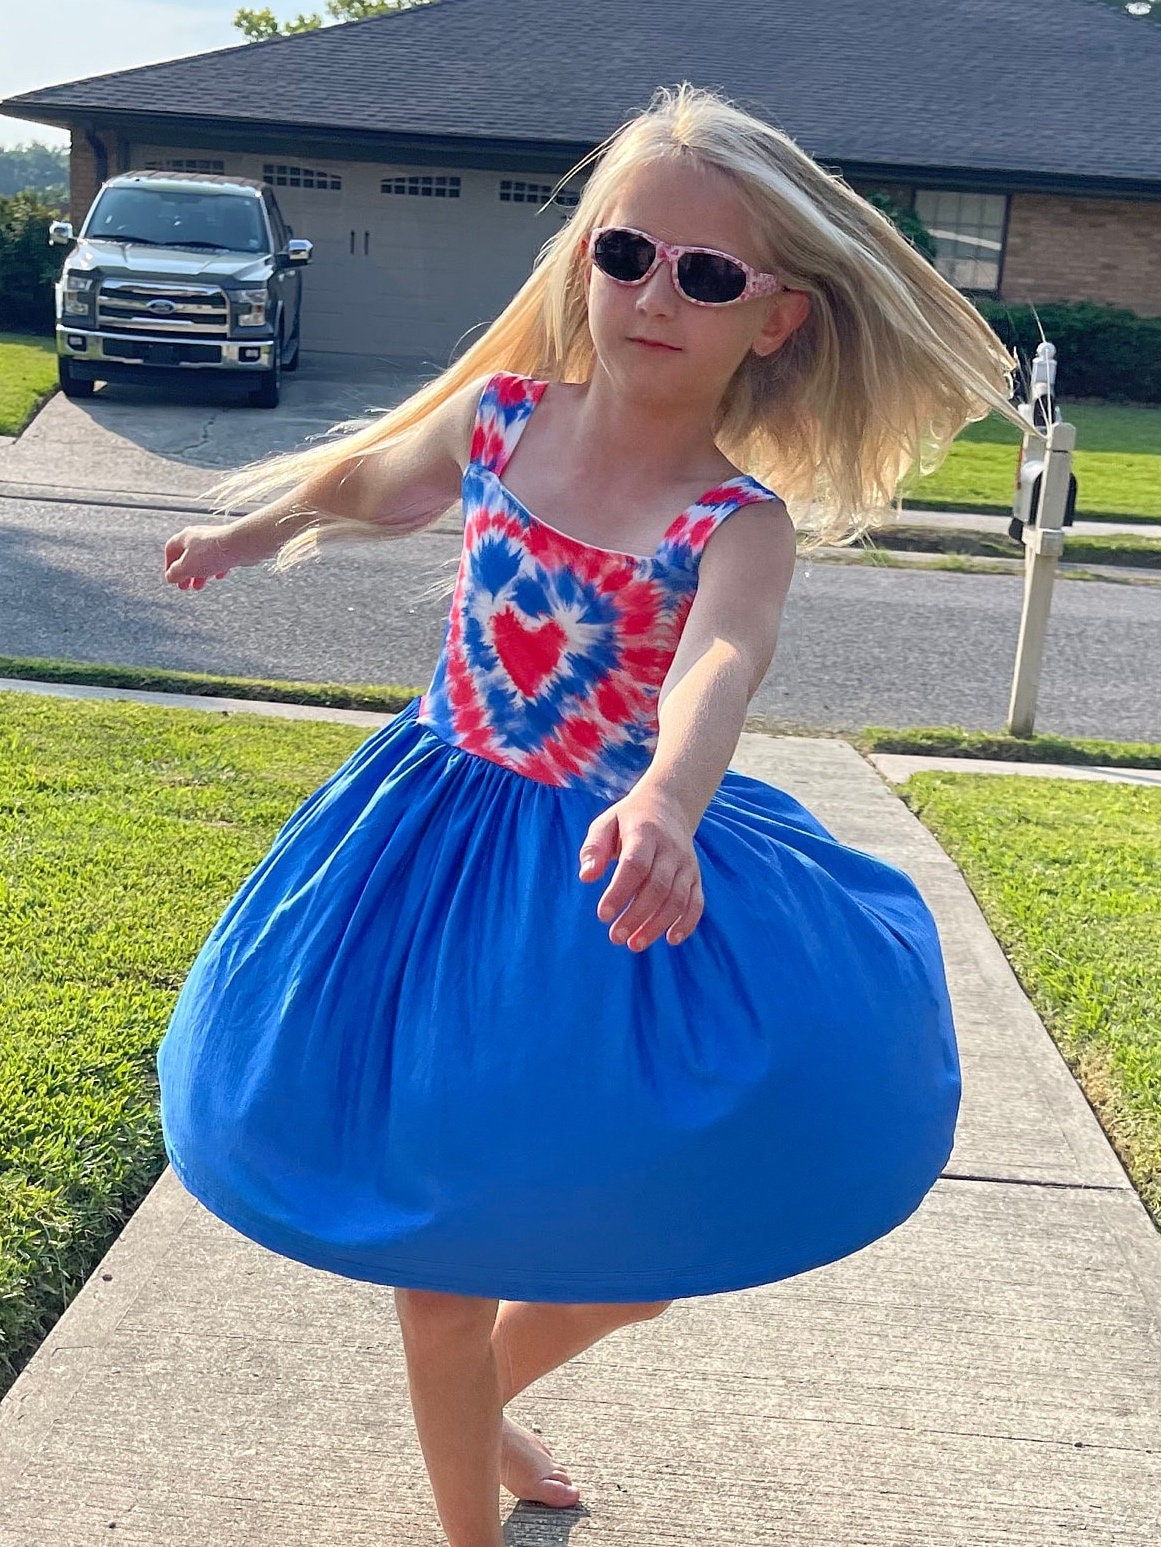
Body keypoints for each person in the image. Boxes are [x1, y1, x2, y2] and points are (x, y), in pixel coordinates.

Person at [157, 82, 1036, 1547]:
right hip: (428, 862)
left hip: (607, 871)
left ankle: (473, 1400)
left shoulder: (733, 524)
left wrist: (668, 806)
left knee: (640, 1253)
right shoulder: (504, 421)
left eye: (703, 275)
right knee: (437, 1265)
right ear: (586, 263)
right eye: (625, 254)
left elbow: (719, 663)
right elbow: (376, 484)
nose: (651, 294)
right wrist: (254, 526)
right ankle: (465, 1517)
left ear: (774, 319)